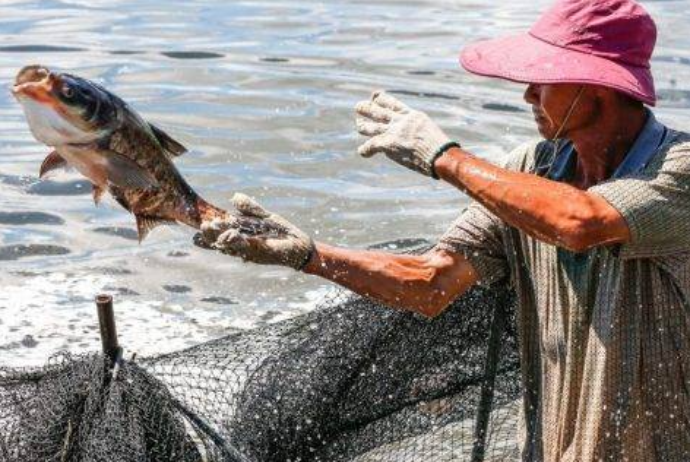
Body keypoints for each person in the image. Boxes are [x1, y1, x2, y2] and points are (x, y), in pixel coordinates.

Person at [195, 0, 690, 460]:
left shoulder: (678, 169)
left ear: (597, 87)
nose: (528, 94)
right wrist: (306, 254)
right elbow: (431, 284)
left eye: (545, 80)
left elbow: (582, 222)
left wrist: (444, 157)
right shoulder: (530, 170)